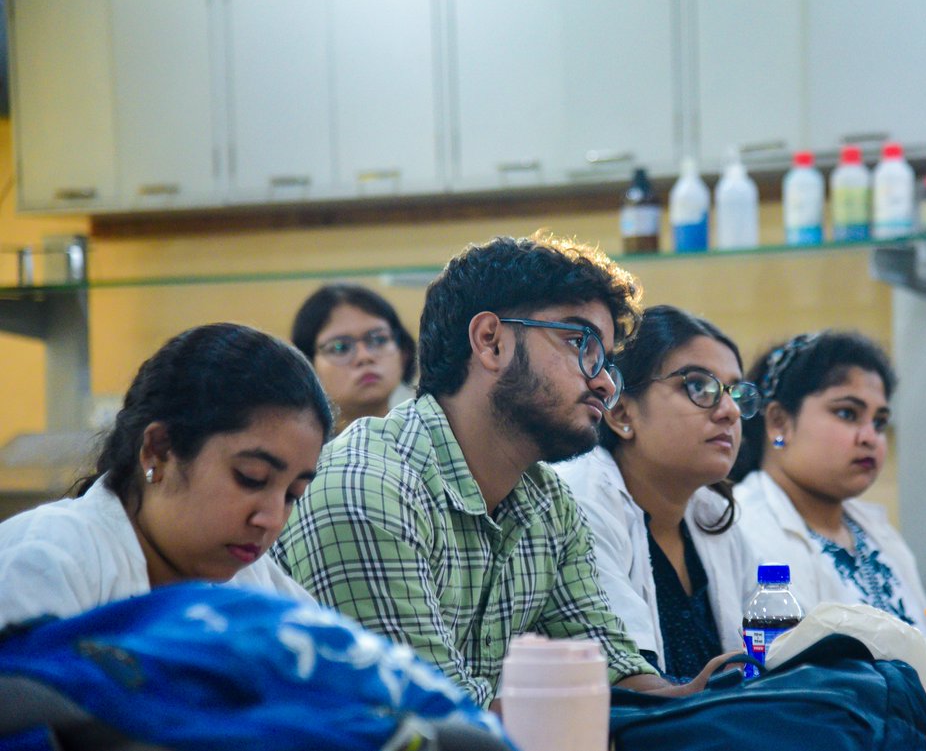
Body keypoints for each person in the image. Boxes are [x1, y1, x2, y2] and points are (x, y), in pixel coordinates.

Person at [274, 234, 731, 709]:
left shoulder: (547, 503)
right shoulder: (368, 485)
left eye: (605, 362)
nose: (600, 381)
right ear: (490, 342)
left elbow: (613, 670)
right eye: (579, 342)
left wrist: (702, 700)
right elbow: (432, 715)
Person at [0, 323, 334, 628]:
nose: (272, 519)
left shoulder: (258, 589)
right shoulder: (44, 564)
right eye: (251, 477)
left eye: (293, 495)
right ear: (159, 450)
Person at [554, 305, 762, 680]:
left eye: (733, 392)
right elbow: (632, 689)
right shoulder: (579, 500)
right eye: (699, 386)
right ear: (620, 413)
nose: (729, 411)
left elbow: (766, 661)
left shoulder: (713, 514)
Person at [731, 331, 926, 635]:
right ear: (779, 422)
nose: (869, 437)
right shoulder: (743, 526)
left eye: (879, 422)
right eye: (847, 413)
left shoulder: (875, 532)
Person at [292, 283, 417, 434]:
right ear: (308, 366)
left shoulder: (430, 437)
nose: (364, 357)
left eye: (379, 340)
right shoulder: (300, 454)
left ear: (403, 353)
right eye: (340, 347)